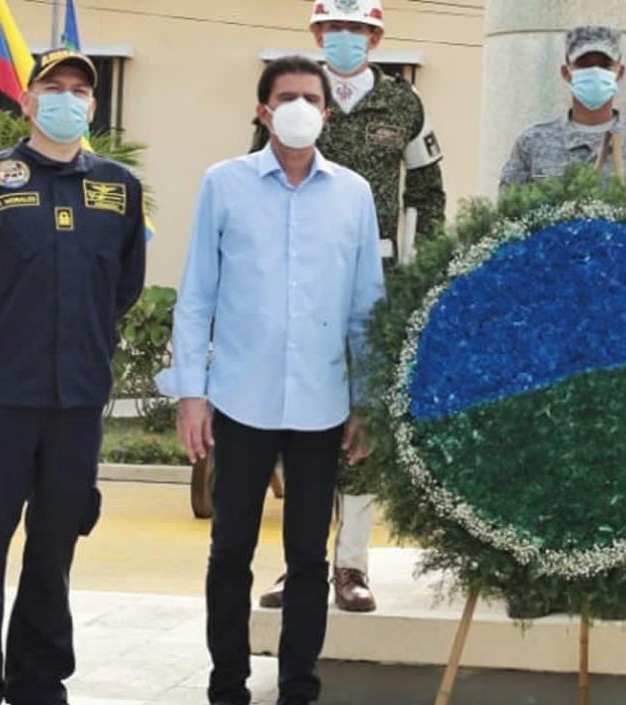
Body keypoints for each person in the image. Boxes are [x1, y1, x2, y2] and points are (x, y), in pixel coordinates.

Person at [156, 56, 384, 705]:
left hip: (321, 405)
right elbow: (197, 295)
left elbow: (367, 304)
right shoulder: (223, 185)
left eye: (310, 98)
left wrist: (365, 400)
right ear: (262, 110)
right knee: (230, 550)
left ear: (327, 113)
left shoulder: (353, 194)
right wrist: (191, 393)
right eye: (286, 97)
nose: (298, 108)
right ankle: (227, 684)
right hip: (238, 401)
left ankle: (298, 688)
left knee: (309, 558)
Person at [0, 49, 146, 705]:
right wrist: (1, 337)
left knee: (54, 546)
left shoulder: (118, 188)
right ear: (26, 101)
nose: (69, 99)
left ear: (92, 106)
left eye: (81, 90)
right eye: (54, 88)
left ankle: (39, 679)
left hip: (77, 399)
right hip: (0, 396)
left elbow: (124, 286)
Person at [253, 0, 445, 615]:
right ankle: (297, 564)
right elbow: (258, 180)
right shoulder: (293, 96)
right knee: (302, 418)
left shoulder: (404, 104)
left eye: (357, 29)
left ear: (376, 35)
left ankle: (353, 565)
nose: (345, 39)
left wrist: (421, 275)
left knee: (365, 422)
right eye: (334, 28)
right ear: (316, 33)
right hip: (301, 279)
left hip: (380, 277)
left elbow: (428, 192)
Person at [499, 25, 626, 192]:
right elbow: (507, 214)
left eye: (605, 65)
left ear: (619, 73)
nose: (595, 72)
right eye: (584, 64)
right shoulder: (532, 143)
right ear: (566, 73)